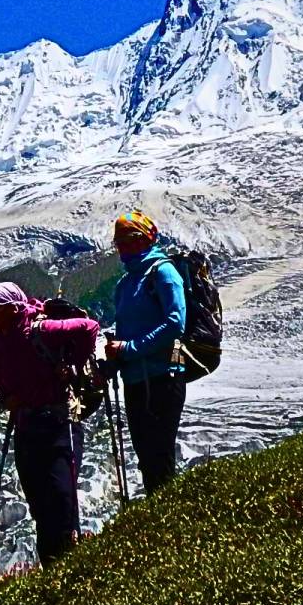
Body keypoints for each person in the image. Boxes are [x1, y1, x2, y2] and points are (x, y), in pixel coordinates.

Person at [0, 282, 99, 565]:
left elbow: (89, 327)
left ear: (13, 308)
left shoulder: (41, 331)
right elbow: (0, 378)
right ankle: (55, 567)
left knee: (61, 498)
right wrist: (9, 397)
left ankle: (67, 563)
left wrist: (72, 365)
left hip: (58, 422)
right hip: (30, 426)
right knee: (42, 502)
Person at [105, 210, 186, 494]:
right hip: (136, 380)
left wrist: (128, 349)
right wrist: (114, 360)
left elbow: (176, 323)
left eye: (129, 240)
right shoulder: (126, 283)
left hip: (164, 377)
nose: (123, 248)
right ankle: (160, 522)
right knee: (147, 456)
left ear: (145, 239)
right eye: (119, 242)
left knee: (159, 454)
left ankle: (167, 524)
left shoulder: (163, 272)